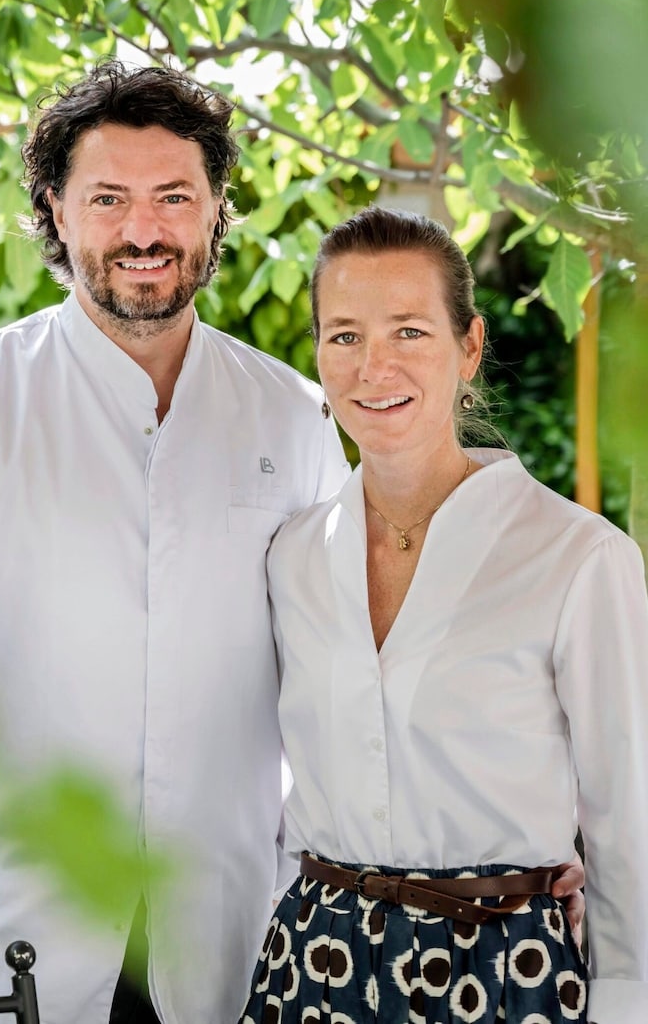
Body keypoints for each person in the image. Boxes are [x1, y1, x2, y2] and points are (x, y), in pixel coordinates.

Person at [0, 66, 584, 1024]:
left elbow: (363, 669)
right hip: (5, 926)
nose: (143, 231)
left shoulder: (294, 413)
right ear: (56, 212)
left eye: (174, 198)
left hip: (240, 936)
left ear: (215, 212)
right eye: (109, 198)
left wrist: (527, 840)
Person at [239, 207, 648, 1024]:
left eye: (409, 332)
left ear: (468, 346)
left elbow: (628, 819)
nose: (373, 366)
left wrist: (627, 1000)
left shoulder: (578, 557)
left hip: (504, 972)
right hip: (312, 969)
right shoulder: (290, 556)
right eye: (344, 335)